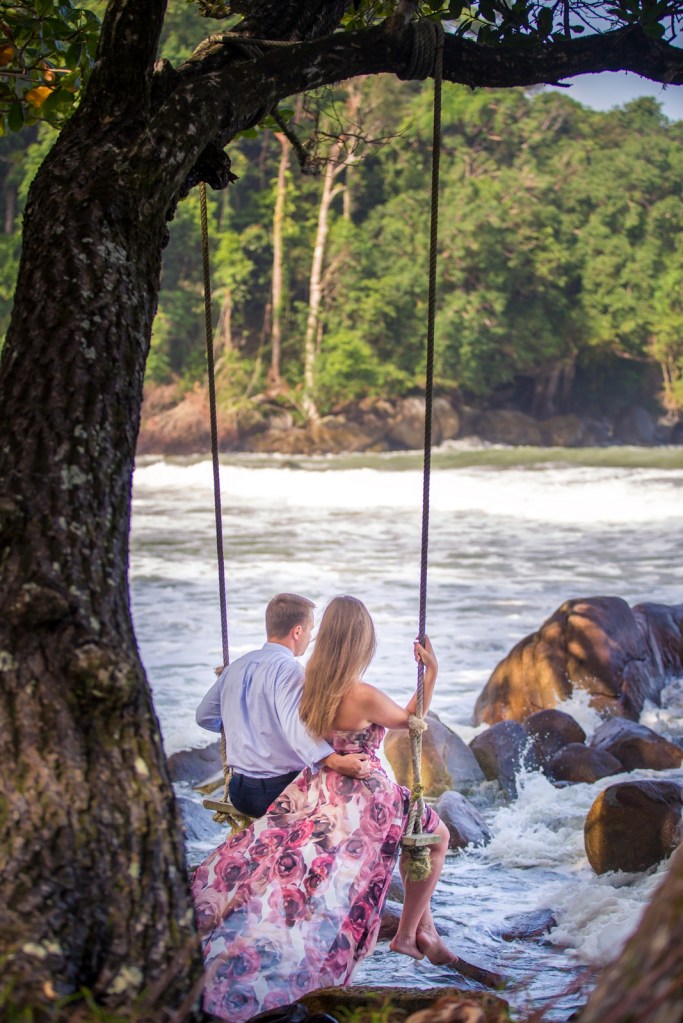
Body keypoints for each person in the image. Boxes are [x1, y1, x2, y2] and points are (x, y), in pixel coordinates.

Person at [192, 595, 455, 1022]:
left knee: (302, 855)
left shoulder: (308, 684)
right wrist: (432, 672)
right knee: (434, 837)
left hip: (315, 789)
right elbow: (411, 717)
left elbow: (280, 729)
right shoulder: (361, 694)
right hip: (362, 792)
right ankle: (408, 933)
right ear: (361, 643)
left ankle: (425, 929)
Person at [195, 592, 372, 818]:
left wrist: (242, 727)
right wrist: (335, 761)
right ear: (297, 631)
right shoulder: (289, 670)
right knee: (349, 798)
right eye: (309, 630)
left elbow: (204, 716)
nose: (310, 638)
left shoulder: (236, 667)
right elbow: (295, 727)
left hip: (239, 790)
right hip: (277, 791)